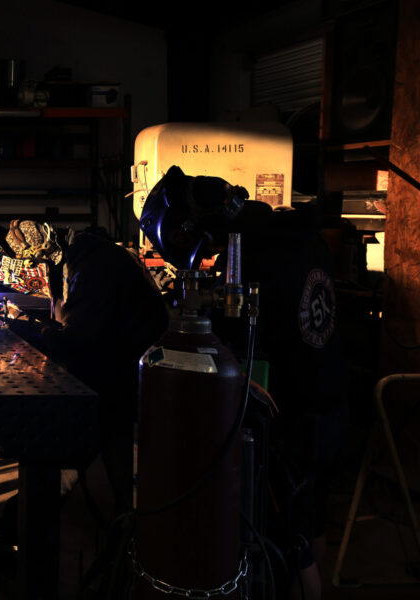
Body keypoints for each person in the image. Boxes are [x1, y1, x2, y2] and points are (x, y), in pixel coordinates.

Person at [141, 166, 347, 600]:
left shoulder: (254, 255)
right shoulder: (297, 234)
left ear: (191, 228)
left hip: (291, 415)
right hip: (330, 403)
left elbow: (229, 341)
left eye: (180, 241)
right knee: (310, 526)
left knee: (289, 542)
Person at [0, 220, 170, 510]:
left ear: (36, 263)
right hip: (116, 357)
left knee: (82, 432)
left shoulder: (89, 267)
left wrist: (22, 326)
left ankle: (43, 510)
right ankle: (118, 513)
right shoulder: (73, 254)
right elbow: (68, 321)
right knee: (107, 441)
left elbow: (75, 340)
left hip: (126, 368)